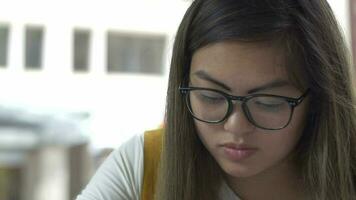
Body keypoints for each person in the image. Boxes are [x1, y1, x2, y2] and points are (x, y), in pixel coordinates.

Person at [76, 0, 356, 199]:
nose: (235, 126)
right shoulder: (144, 167)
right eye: (211, 96)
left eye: (267, 102)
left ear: (319, 99)